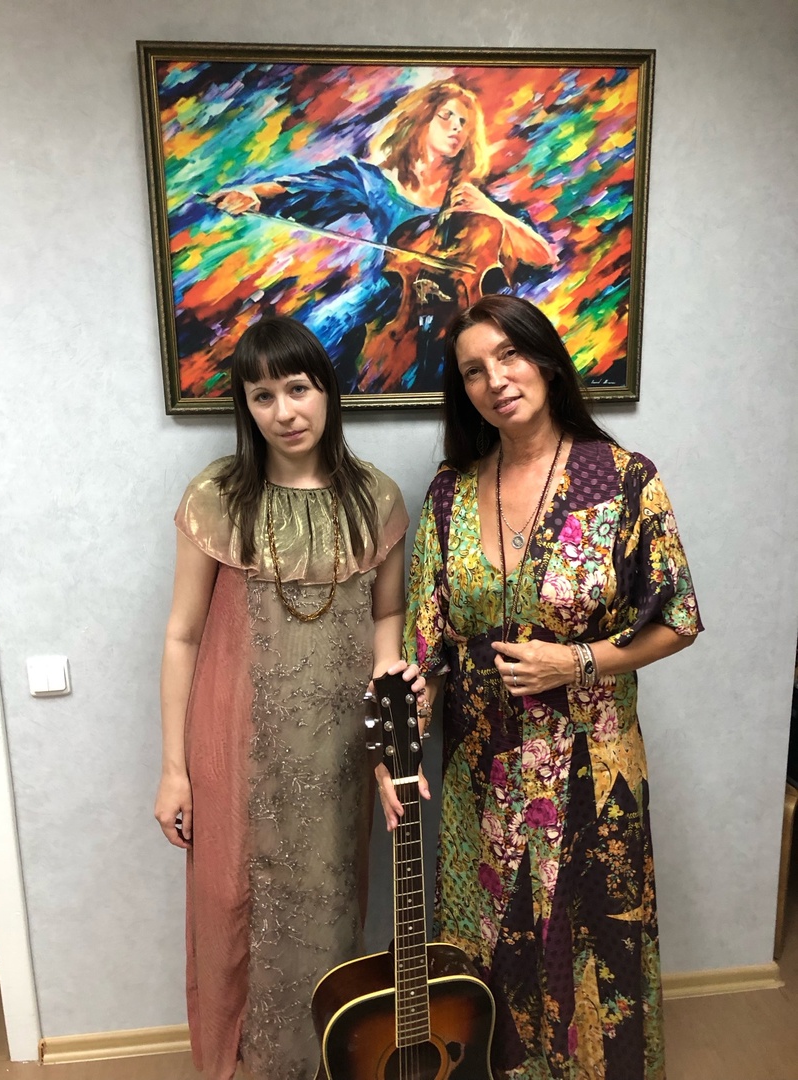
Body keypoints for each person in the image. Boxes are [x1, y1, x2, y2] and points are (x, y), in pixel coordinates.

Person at [384, 295, 702, 1079]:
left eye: (509, 355)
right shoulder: (450, 493)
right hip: (480, 777)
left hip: (594, 771)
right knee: (490, 954)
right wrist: (401, 740)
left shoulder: (624, 481)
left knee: (594, 957)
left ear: (547, 360)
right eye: (473, 371)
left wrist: (579, 662)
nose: (496, 379)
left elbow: (680, 619)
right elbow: (425, 649)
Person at [154, 315, 417, 1080]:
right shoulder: (218, 498)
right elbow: (182, 636)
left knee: (331, 909)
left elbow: (389, 615)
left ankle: (323, 1061)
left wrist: (389, 724)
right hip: (235, 750)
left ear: (327, 390)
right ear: (246, 407)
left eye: (297, 388)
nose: (284, 411)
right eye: (262, 395)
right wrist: (174, 770)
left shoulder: (376, 499)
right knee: (232, 908)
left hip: (339, 753)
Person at [208, 81, 556, 392]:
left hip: (457, 310)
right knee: (319, 329)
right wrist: (254, 194)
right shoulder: (375, 182)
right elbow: (303, 187)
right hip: (387, 295)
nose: (457, 127)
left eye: (465, 123)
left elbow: (544, 258)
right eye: (446, 116)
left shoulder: (474, 197)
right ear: (420, 120)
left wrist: (493, 212)